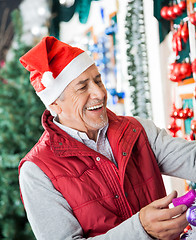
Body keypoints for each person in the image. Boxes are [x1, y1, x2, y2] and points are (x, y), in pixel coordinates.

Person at [19, 36, 196, 240]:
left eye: (97, 80)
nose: (100, 93)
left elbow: (191, 159)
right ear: (55, 104)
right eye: (83, 87)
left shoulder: (136, 130)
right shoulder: (37, 171)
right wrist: (141, 230)